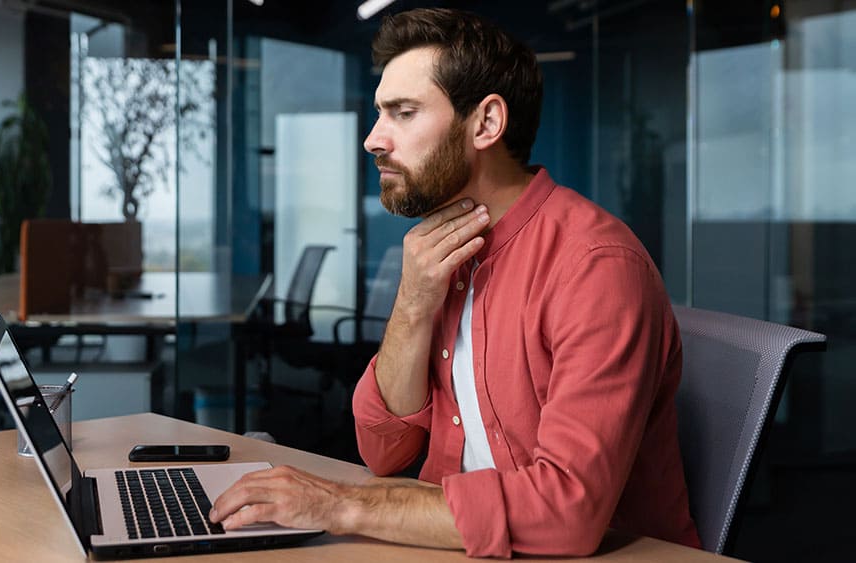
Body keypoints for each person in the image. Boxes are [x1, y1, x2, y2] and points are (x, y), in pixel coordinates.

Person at [210, 7, 701, 558]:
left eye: (403, 113)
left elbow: (567, 512)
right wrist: (414, 302)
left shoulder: (595, 266)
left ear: (486, 124)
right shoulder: (443, 251)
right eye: (380, 114)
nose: (373, 139)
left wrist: (341, 504)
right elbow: (382, 449)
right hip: (457, 544)